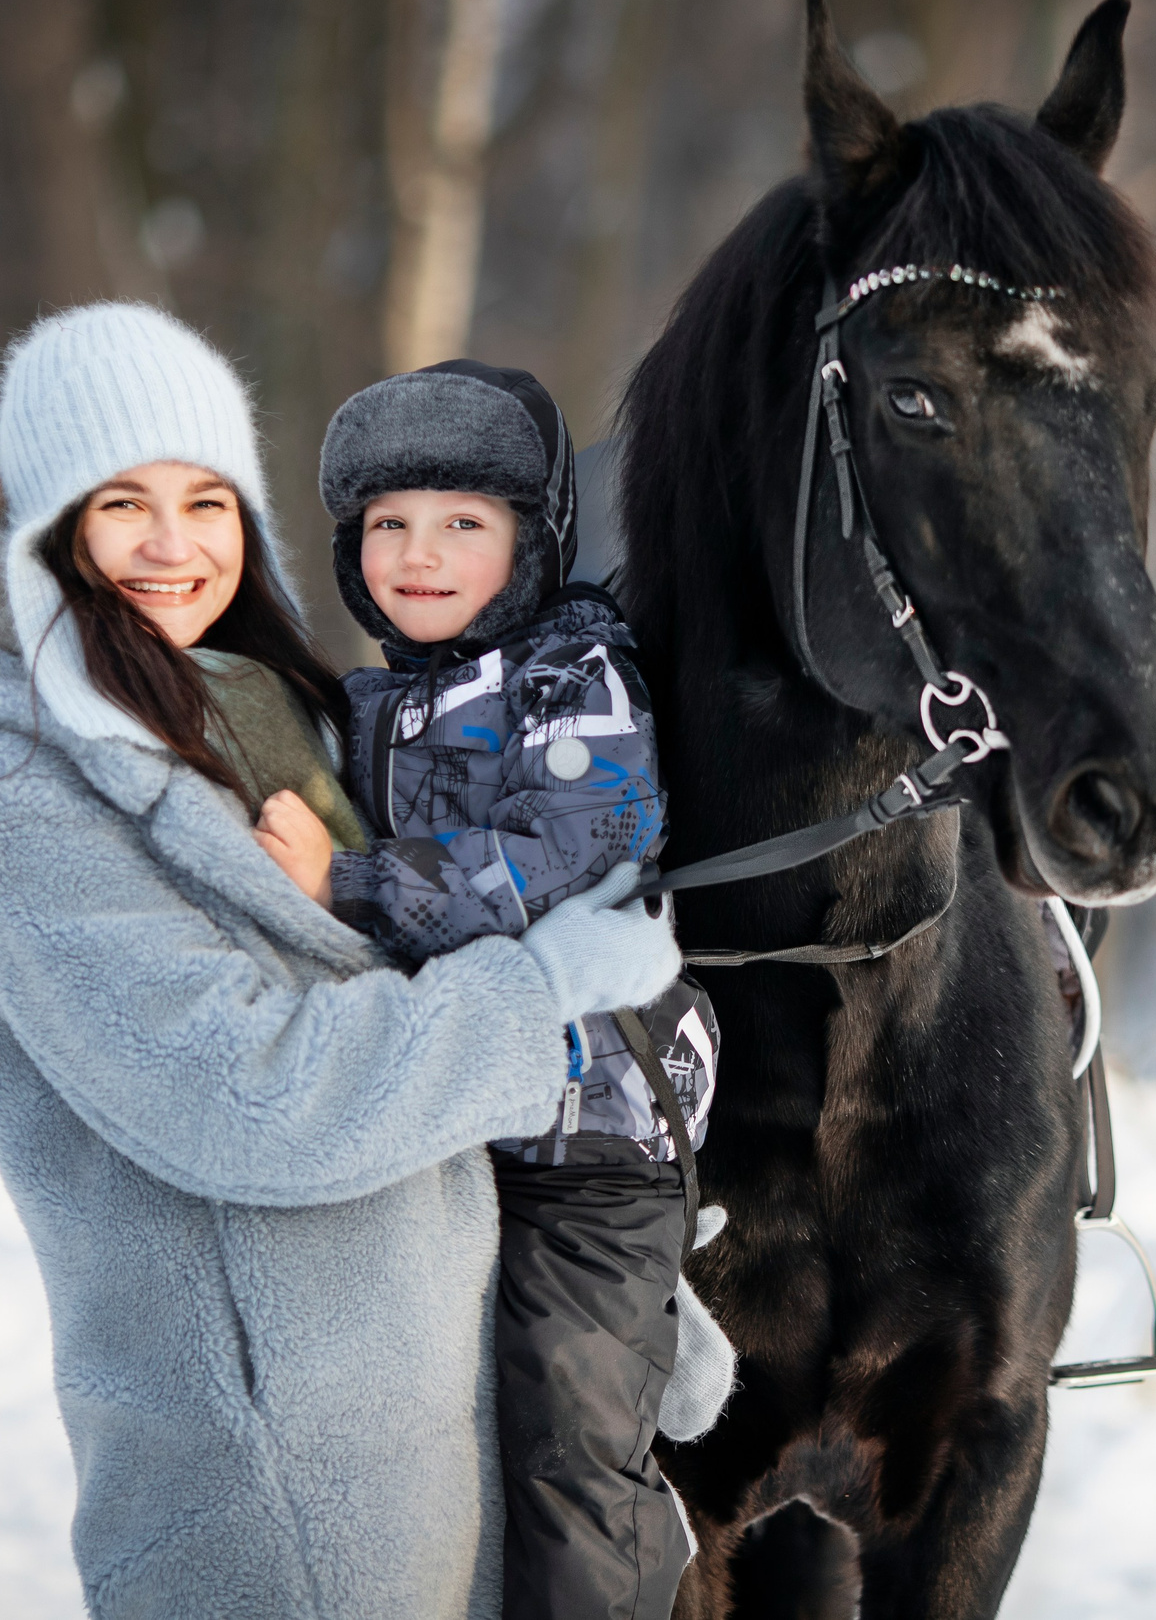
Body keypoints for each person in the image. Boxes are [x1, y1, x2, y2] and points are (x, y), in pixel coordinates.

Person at [0, 302, 685, 1620]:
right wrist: (539, 994)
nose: (174, 545)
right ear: (50, 528)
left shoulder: (270, 722)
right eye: (122, 504)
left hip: (444, 1437)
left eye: (208, 501)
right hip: (275, 1501)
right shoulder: (23, 808)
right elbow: (255, 1096)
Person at [250, 360, 718, 1620]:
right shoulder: (366, 706)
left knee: (567, 1438)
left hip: (592, 1138)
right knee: (426, 1455)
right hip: (445, 1133)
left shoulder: (573, 674)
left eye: (463, 521)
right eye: (388, 523)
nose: (420, 552)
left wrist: (348, 879)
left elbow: (563, 842)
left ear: (533, 538)